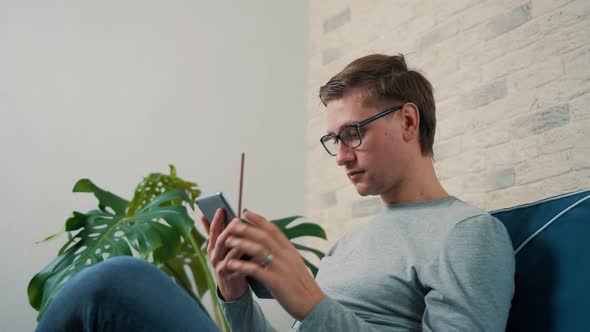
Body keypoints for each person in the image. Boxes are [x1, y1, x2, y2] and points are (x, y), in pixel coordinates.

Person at [36, 54, 514, 332]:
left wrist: (308, 296)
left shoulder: (466, 234)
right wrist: (235, 294)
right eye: (334, 141)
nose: (342, 156)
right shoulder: (349, 247)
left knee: (114, 283)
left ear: (408, 121)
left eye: (353, 134)